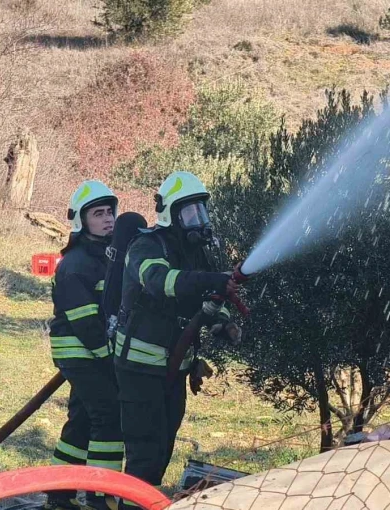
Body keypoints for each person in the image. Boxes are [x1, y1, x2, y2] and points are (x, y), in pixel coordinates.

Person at [114, 171, 238, 508]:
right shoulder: (146, 245)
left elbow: (207, 299)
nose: (198, 219)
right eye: (189, 212)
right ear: (170, 213)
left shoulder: (194, 254)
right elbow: (162, 282)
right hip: (139, 369)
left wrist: (222, 323)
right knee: (144, 457)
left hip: (174, 370)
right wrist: (208, 280)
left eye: (201, 210)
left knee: (162, 451)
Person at [44, 181, 123, 510]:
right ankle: (100, 496)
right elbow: (87, 325)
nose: (107, 219)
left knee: (82, 421)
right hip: (82, 352)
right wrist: (111, 359)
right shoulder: (76, 264)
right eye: (98, 213)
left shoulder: (105, 257)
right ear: (81, 221)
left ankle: (58, 495)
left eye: (109, 213)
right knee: (108, 416)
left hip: (92, 352)